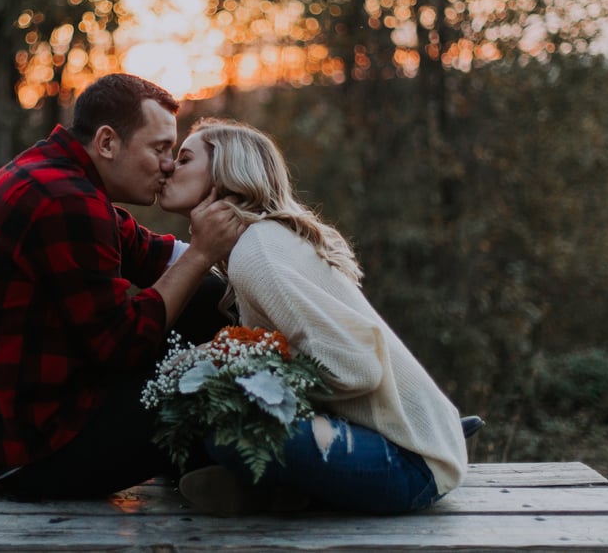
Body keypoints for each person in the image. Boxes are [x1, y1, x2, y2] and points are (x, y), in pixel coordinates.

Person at [157, 117, 470, 515]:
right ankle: (280, 487)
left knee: (230, 433)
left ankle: (281, 492)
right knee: (201, 417)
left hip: (410, 463)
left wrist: (231, 365)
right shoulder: (260, 242)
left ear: (225, 173)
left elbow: (357, 368)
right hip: (402, 444)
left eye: (184, 158)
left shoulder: (258, 252)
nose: (169, 166)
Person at [0, 74, 244, 498]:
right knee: (212, 384)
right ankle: (240, 476)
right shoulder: (68, 201)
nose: (168, 164)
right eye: (159, 148)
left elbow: (156, 254)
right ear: (108, 142)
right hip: (34, 454)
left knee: (205, 300)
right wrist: (203, 254)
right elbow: (122, 344)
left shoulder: (59, 177)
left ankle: (198, 472)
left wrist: (255, 251)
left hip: (32, 429)